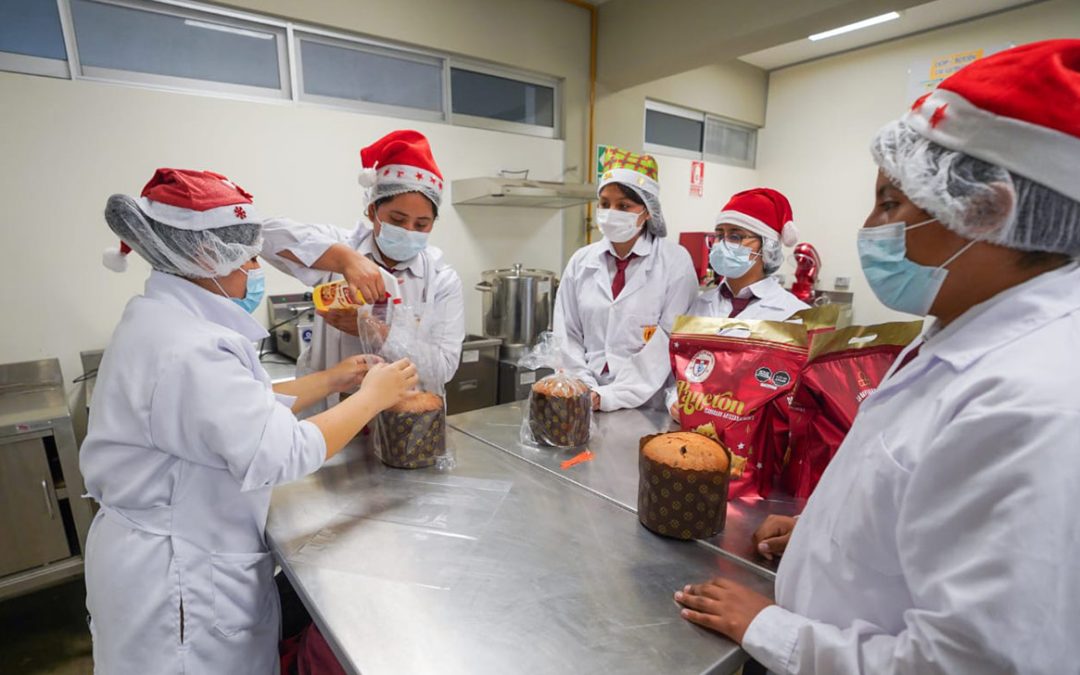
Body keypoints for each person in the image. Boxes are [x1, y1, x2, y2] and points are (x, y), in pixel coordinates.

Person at [673, 39, 1080, 674]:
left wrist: (773, 630)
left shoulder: (1036, 405)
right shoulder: (960, 328)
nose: (871, 226)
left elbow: (968, 664)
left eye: (890, 202)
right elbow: (920, 496)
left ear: (988, 209)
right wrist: (818, 532)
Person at [82, 169, 418, 674]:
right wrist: (371, 398)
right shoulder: (190, 347)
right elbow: (281, 451)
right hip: (178, 582)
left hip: (169, 554)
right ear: (203, 258)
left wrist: (333, 380)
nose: (256, 270)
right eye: (247, 260)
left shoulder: (165, 319)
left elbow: (243, 409)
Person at [260, 130, 464, 412]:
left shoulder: (441, 279)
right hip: (331, 414)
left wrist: (377, 331)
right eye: (397, 219)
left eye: (421, 225)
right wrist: (344, 259)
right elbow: (262, 234)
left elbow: (443, 369)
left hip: (404, 420)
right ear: (372, 211)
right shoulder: (343, 247)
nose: (408, 232)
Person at [554, 147, 699, 412]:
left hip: (647, 403)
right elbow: (567, 332)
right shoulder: (581, 261)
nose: (611, 212)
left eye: (624, 205)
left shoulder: (675, 262)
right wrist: (585, 388)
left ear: (647, 210)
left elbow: (668, 340)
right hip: (583, 397)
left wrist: (609, 396)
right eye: (605, 204)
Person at [668, 188, 809, 419]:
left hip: (753, 441)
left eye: (735, 236)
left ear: (768, 246)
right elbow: (680, 372)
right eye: (719, 235)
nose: (722, 244)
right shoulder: (700, 305)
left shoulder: (794, 315)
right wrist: (675, 400)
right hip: (692, 430)